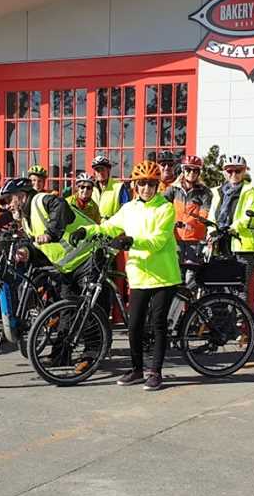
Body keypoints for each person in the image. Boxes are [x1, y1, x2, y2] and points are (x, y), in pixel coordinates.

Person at [73, 160, 180, 391]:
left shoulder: (165, 208)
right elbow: (109, 226)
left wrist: (131, 240)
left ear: (157, 186)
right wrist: (85, 231)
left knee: (158, 324)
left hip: (164, 275)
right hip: (139, 274)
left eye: (151, 184)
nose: (146, 189)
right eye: (142, 184)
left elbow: (158, 241)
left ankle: (155, 372)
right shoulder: (129, 208)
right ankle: (137, 369)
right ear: (135, 185)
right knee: (134, 325)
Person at [209, 155, 254, 301]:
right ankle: (227, 321)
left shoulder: (250, 191)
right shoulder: (218, 192)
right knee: (223, 285)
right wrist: (211, 231)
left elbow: (248, 216)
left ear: (244, 171)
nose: (233, 174)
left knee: (240, 286)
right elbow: (212, 215)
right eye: (229, 171)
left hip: (244, 245)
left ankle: (242, 321)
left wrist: (231, 228)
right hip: (223, 244)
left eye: (238, 171)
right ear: (224, 172)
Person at [164, 154, 214, 269]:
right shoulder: (173, 189)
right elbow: (161, 207)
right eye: (188, 169)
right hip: (175, 238)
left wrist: (192, 224)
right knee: (176, 272)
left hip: (195, 240)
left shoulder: (205, 192)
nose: (192, 173)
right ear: (183, 170)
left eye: (195, 170)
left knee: (191, 275)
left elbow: (204, 215)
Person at [90, 155, 130, 220]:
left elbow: (127, 210)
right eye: (97, 170)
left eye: (102, 169)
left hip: (112, 228)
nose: (100, 173)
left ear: (108, 170)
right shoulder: (91, 188)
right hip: (94, 227)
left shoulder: (119, 187)